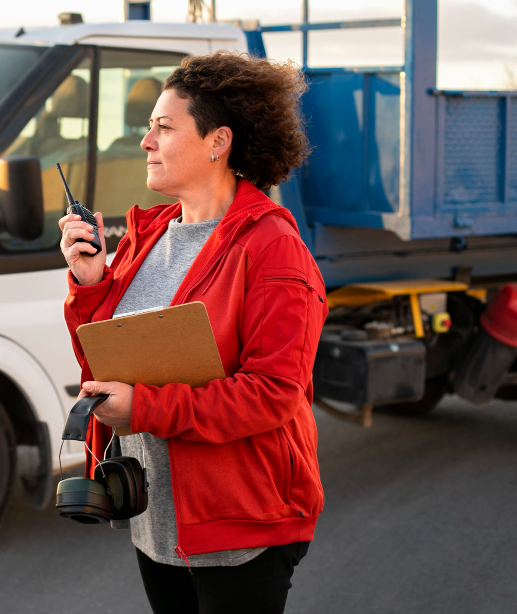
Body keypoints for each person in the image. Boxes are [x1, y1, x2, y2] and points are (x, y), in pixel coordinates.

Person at [60, 51, 327, 614]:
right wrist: (90, 284)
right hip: (157, 515)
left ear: (217, 141)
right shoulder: (149, 234)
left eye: (163, 126)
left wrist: (146, 410)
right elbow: (109, 355)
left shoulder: (272, 249)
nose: (146, 142)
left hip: (238, 525)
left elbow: (274, 394)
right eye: (148, 128)